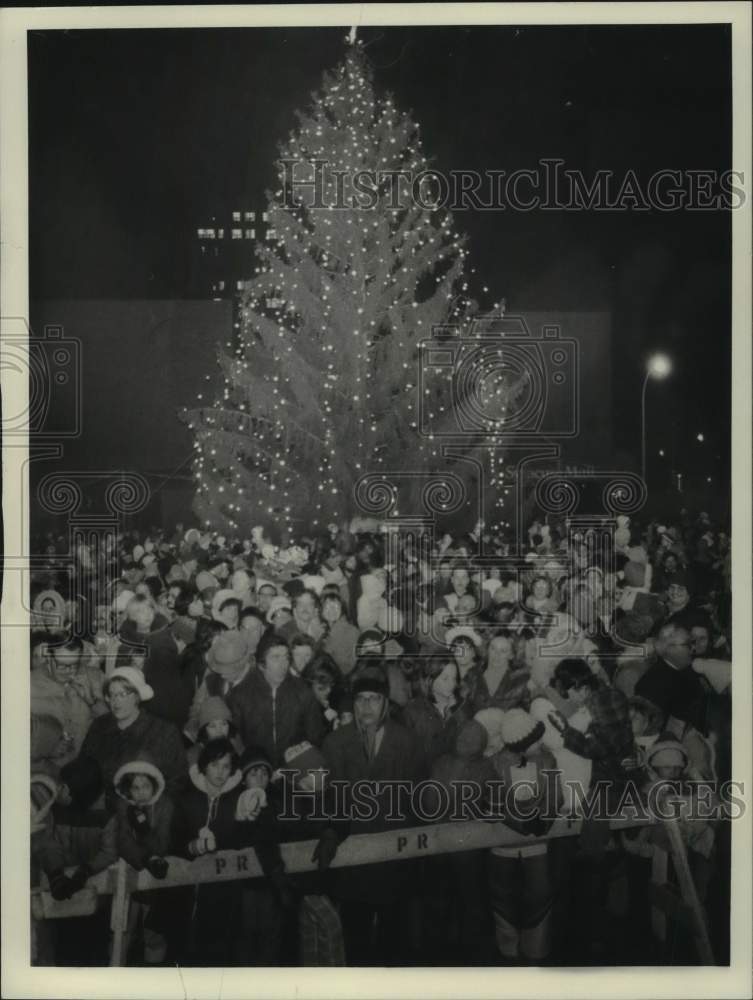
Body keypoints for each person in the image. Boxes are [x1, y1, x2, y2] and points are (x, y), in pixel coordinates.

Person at [322, 665, 425, 965]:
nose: (366, 706)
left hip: (393, 859)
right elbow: (329, 799)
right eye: (360, 699)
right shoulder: (335, 743)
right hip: (352, 860)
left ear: (386, 705)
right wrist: (329, 830)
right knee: (356, 942)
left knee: (394, 945)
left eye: (374, 699)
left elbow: (417, 801)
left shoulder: (407, 742)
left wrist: (412, 856)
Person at [80, 667, 188, 808]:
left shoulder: (163, 731)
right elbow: (85, 766)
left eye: (123, 694)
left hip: (147, 811)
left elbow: (178, 779)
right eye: (111, 695)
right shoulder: (100, 726)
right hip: (103, 810)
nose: (115, 701)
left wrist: (154, 808)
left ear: (137, 696)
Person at [228, 635, 327, 767]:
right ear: (261, 664)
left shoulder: (303, 691)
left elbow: (314, 736)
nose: (284, 664)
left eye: (286, 657)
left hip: (294, 769)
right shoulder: (240, 694)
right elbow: (235, 739)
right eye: (276, 657)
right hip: (257, 770)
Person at [113, 756, 174, 964]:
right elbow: (122, 841)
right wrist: (145, 858)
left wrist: (143, 827)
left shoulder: (165, 806)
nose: (140, 792)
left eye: (145, 786)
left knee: (153, 931)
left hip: (155, 880)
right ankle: (114, 970)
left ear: (154, 785)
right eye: (135, 787)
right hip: (131, 872)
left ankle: (154, 972)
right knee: (122, 927)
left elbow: (163, 844)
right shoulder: (123, 807)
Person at [31, 637, 108, 764]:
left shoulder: (96, 677)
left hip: (89, 767)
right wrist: (45, 749)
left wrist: (91, 701)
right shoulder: (28, 685)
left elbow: (113, 724)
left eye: (74, 665)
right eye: (61, 665)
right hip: (45, 770)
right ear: (48, 658)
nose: (68, 671)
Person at [402, 654, 469, 768]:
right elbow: (418, 755)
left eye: (454, 678)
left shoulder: (461, 706)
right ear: (429, 679)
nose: (451, 684)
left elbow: (466, 745)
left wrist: (454, 712)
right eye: (445, 678)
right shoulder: (414, 710)